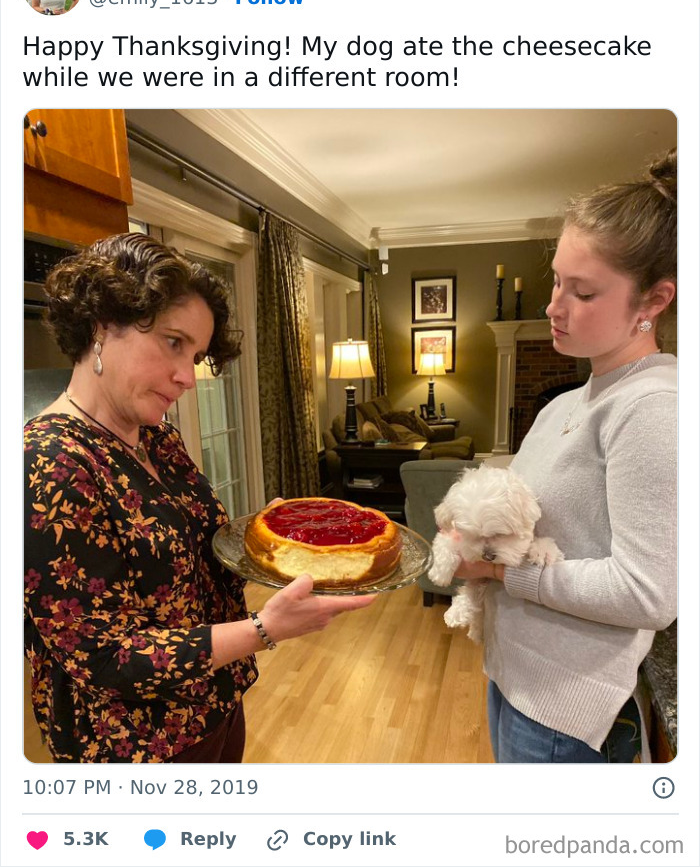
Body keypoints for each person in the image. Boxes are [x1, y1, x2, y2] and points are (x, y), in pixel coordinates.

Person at [24, 233, 374, 763]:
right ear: (101, 325)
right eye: (172, 342)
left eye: (197, 355)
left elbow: (188, 547)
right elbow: (104, 657)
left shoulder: (155, 437)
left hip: (213, 703)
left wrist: (273, 530)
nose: (187, 377)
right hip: (136, 747)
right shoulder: (48, 464)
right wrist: (264, 629)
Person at [449, 149, 677, 762]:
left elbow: (647, 593)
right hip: (516, 672)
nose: (554, 305)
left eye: (583, 291)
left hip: (564, 703)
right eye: (556, 279)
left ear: (652, 301)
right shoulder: (569, 402)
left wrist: (496, 571)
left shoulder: (654, 408)